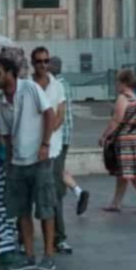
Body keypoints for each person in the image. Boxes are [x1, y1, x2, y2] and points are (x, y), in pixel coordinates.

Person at [0, 54, 58, 270]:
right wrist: (8, 162)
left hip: (39, 159)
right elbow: (7, 136)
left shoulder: (30, 88)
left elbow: (49, 114)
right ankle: (29, 255)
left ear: (10, 73)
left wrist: (45, 143)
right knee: (22, 211)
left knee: (45, 207)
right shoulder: (1, 103)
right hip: (18, 162)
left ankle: (48, 255)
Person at [30, 47, 73, 254]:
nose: (43, 65)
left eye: (46, 61)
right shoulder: (26, 86)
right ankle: (24, 239)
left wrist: (45, 139)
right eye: (39, 61)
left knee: (54, 193)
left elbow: (60, 116)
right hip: (29, 149)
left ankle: (59, 237)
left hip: (52, 148)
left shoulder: (57, 87)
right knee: (28, 194)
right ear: (33, 63)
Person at [100, 67, 136, 216]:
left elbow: (116, 120)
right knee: (123, 173)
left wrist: (104, 136)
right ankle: (116, 203)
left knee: (134, 175)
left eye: (118, 82)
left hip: (125, 140)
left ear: (124, 82)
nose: (116, 85)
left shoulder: (123, 98)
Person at [48, 57, 89, 221]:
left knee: (55, 171)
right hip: (66, 134)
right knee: (59, 168)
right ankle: (78, 192)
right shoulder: (66, 83)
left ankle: (69, 195)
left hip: (57, 134)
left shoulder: (55, 85)